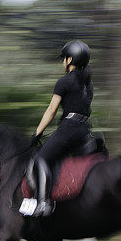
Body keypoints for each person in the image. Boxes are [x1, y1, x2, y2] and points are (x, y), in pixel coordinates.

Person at [25, 40, 93, 217]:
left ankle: (43, 203)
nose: (63, 62)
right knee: (57, 158)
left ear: (70, 59)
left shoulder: (64, 81)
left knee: (41, 158)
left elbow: (51, 110)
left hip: (69, 128)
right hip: (84, 130)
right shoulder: (88, 84)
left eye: (64, 58)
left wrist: (37, 132)